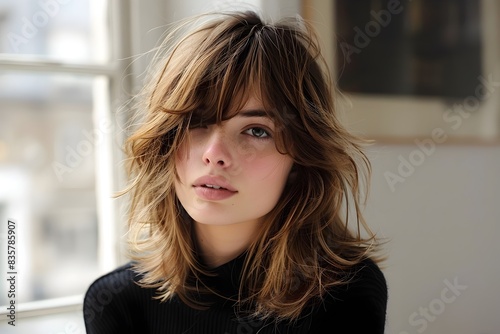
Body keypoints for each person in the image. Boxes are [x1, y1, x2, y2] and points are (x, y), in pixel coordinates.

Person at [83, 10, 387, 333]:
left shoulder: (344, 295)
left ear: (300, 161)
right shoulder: (116, 303)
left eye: (256, 131)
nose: (215, 155)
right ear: (165, 140)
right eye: (196, 122)